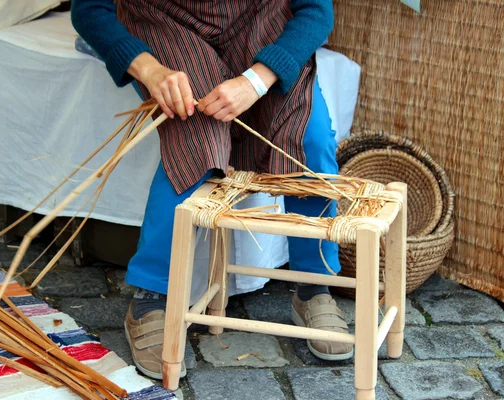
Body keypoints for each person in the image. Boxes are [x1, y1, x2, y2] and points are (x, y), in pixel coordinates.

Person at [71, 0, 351, 380]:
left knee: (309, 137)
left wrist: (255, 81)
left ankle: (314, 286)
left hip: (260, 18)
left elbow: (316, 10)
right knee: (195, 141)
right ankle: (152, 297)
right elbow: (90, 9)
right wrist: (149, 70)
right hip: (166, 24)